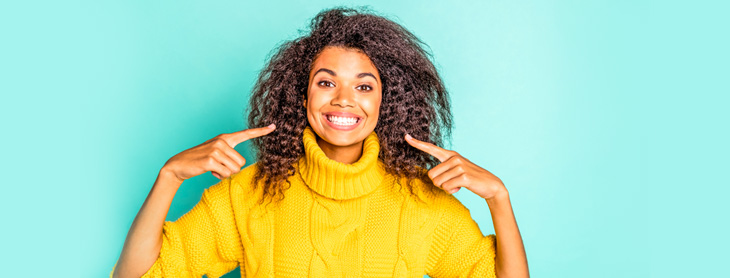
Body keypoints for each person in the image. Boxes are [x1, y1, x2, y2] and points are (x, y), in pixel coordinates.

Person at [111, 7, 528, 278]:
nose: (344, 99)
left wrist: (499, 199)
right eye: (326, 82)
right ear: (301, 94)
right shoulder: (248, 194)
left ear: (388, 100)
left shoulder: (421, 202)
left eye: (364, 87)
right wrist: (169, 177)